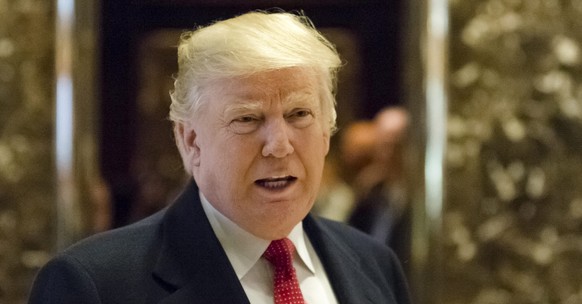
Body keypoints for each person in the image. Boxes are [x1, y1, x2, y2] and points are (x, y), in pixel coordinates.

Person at [28, 11, 411, 304]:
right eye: (247, 119)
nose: (279, 145)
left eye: (299, 115)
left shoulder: (374, 263)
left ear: (327, 131)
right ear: (190, 140)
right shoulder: (93, 284)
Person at [348, 107, 411, 265]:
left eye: (396, 145)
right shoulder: (372, 189)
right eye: (384, 145)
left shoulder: (417, 193)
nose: (389, 153)